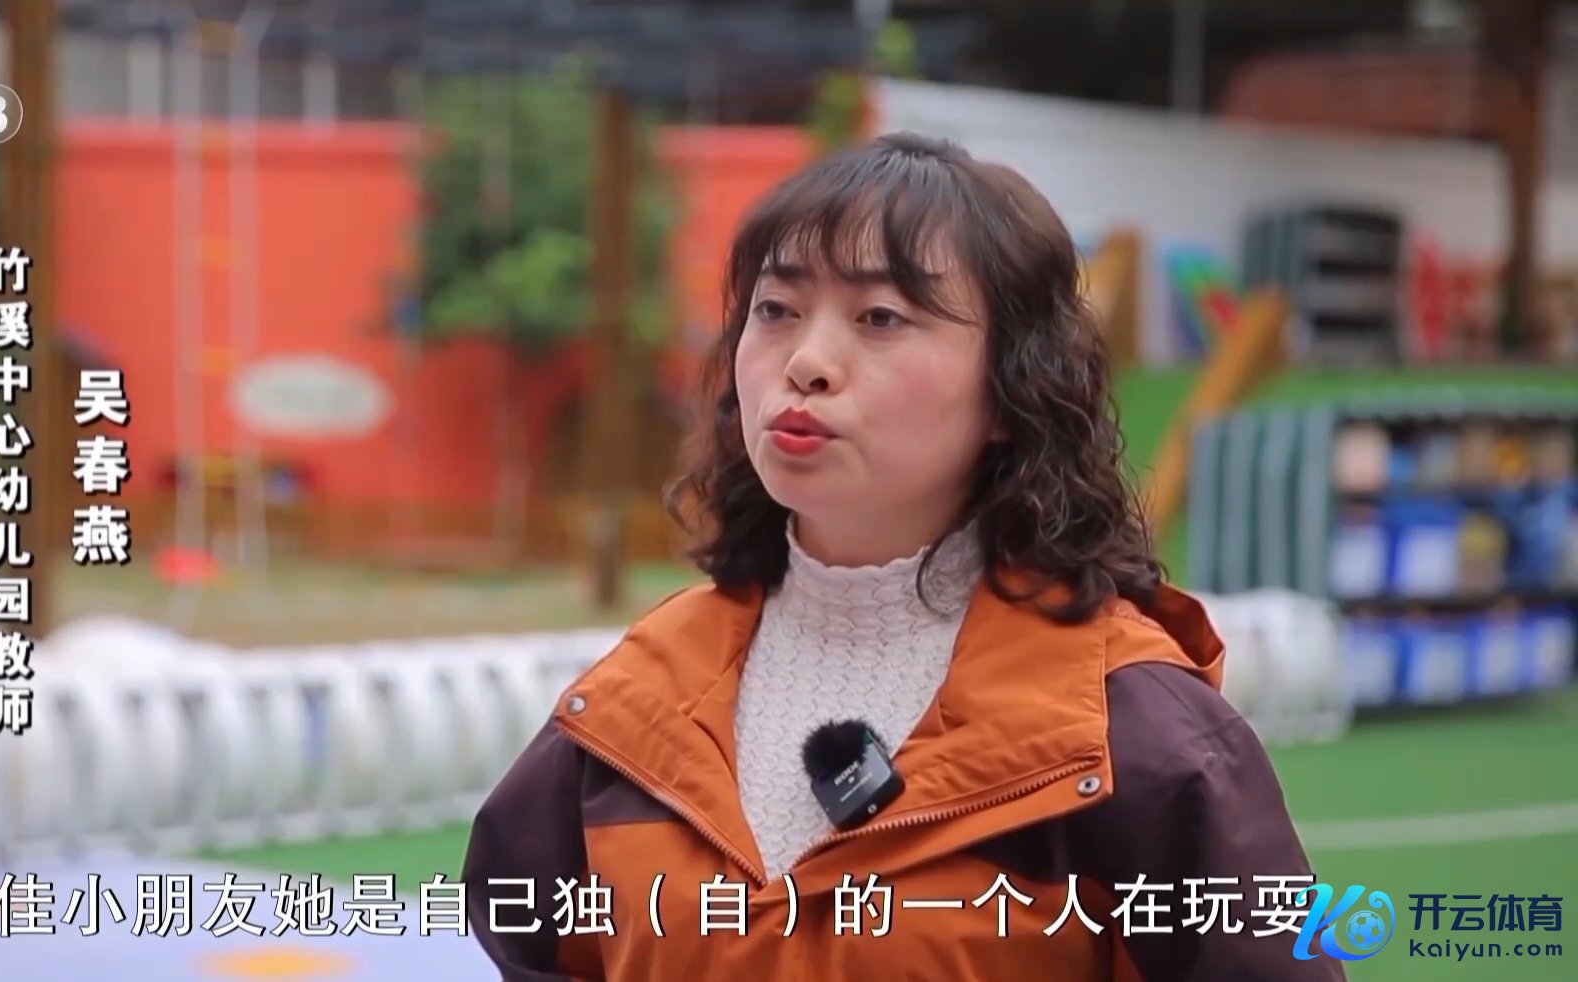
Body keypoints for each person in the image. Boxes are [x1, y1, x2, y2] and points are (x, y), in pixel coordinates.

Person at [461, 133, 1343, 980]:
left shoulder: (1128, 730)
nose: (806, 362)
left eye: (880, 318)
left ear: (1012, 389)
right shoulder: (631, 706)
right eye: (775, 311)